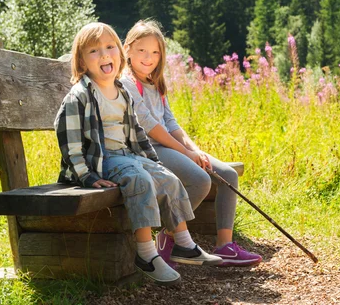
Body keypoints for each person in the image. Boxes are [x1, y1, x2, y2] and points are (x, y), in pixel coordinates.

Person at [54, 22, 222, 286]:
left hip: (126, 156)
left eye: (110, 47)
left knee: (167, 178)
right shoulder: (80, 96)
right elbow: (70, 143)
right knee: (139, 180)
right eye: (94, 51)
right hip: (100, 161)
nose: (105, 54)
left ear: (120, 53)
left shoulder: (121, 92)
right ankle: (146, 254)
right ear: (82, 62)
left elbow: (137, 134)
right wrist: (85, 176)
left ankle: (184, 244)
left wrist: (153, 162)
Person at [121, 20, 262, 267]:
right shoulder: (128, 84)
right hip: (147, 150)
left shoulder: (155, 83)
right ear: (127, 49)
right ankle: (169, 235)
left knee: (227, 174)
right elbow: (150, 127)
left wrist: (195, 150)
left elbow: (170, 122)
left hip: (168, 146)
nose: (148, 57)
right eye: (142, 50)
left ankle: (224, 245)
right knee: (200, 180)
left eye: (155, 52)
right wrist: (185, 152)